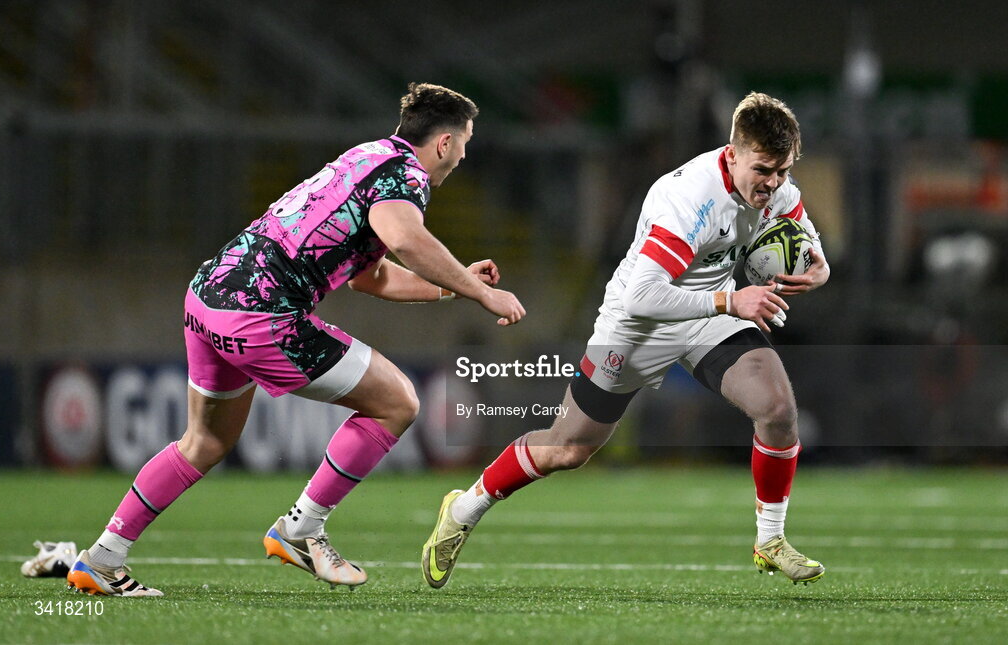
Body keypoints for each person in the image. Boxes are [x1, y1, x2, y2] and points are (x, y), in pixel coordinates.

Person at [66, 82, 526, 597]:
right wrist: (483, 296)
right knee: (397, 402)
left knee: (205, 442)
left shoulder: (366, 157)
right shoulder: (406, 176)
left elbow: (370, 277)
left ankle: (102, 559)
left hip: (208, 296)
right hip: (261, 316)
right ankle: (302, 528)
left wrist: (455, 287)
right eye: (464, 144)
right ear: (444, 143)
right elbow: (405, 239)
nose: (462, 157)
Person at [422, 92, 830, 588]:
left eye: (783, 171)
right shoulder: (689, 199)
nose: (773, 183)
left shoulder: (778, 187)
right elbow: (643, 296)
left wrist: (817, 268)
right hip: (639, 321)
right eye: (764, 169)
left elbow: (803, 237)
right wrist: (731, 302)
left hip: (712, 309)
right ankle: (463, 509)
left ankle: (770, 540)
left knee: (777, 409)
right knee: (568, 449)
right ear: (732, 154)